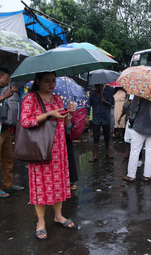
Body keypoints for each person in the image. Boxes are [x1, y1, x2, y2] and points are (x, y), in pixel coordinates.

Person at [21, 72, 77, 240]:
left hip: (59, 149)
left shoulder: (58, 98)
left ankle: (58, 215)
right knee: (41, 186)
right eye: (47, 81)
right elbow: (25, 121)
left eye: (53, 81)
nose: (51, 84)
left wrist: (69, 113)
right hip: (40, 149)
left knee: (58, 183)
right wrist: (48, 115)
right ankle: (40, 222)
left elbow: (64, 124)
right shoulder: (31, 98)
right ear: (38, 81)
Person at [123, 96, 151, 182]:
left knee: (134, 151)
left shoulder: (139, 92)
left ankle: (131, 175)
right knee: (150, 151)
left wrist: (137, 100)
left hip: (140, 126)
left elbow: (133, 109)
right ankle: (147, 175)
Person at [0, 68, 24, 198]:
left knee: (8, 157)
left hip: (5, 127)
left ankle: (8, 184)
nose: (8, 81)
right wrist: (4, 96)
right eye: (7, 78)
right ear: (0, 77)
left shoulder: (4, 89)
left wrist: (13, 92)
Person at [88, 84, 112, 162]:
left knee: (107, 135)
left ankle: (107, 151)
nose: (100, 88)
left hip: (105, 118)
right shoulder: (92, 96)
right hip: (96, 118)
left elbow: (111, 104)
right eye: (98, 86)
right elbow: (88, 107)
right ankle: (95, 155)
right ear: (95, 86)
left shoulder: (105, 94)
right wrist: (87, 117)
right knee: (96, 136)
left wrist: (105, 101)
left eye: (101, 86)